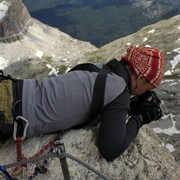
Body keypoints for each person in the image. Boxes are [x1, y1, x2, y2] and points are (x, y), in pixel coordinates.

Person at [0, 46, 165, 161]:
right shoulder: (119, 92)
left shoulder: (96, 69)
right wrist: (140, 118)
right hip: (7, 114)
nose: (146, 92)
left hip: (9, 88)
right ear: (141, 78)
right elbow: (111, 149)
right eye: (148, 87)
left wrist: (127, 106)